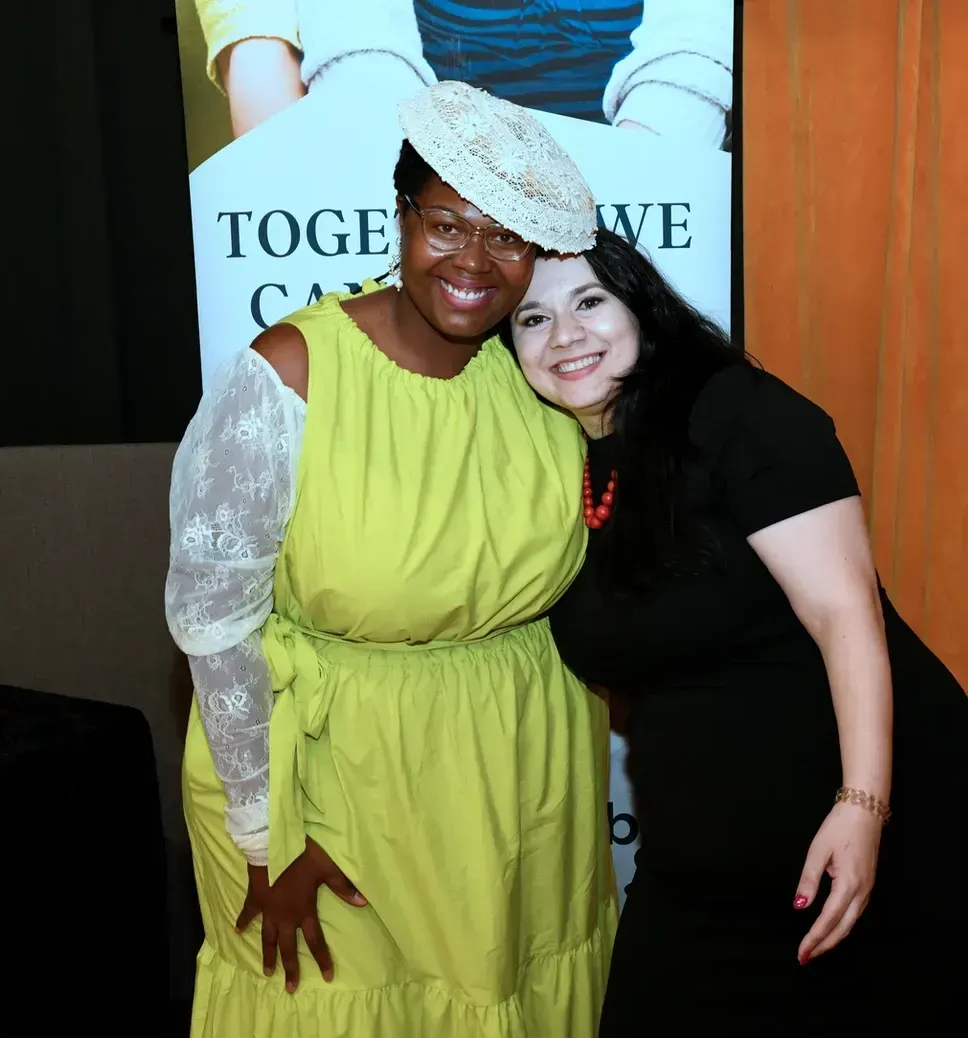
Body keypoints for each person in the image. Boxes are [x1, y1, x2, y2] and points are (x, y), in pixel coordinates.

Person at [504, 229, 968, 1035]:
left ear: (639, 304)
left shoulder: (734, 411)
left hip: (891, 857)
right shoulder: (564, 467)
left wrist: (863, 809)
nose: (567, 335)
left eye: (589, 301)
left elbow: (845, 613)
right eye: (532, 319)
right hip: (703, 881)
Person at [165, 81, 615, 1036]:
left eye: (508, 236)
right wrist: (263, 837)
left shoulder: (541, 372)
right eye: (448, 225)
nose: (475, 261)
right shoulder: (289, 371)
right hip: (327, 783)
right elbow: (213, 626)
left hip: (518, 774)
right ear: (400, 215)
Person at [195, 0, 732, 149]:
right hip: (431, 189)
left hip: (650, 199)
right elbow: (359, 48)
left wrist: (641, 178)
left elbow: (697, 49)